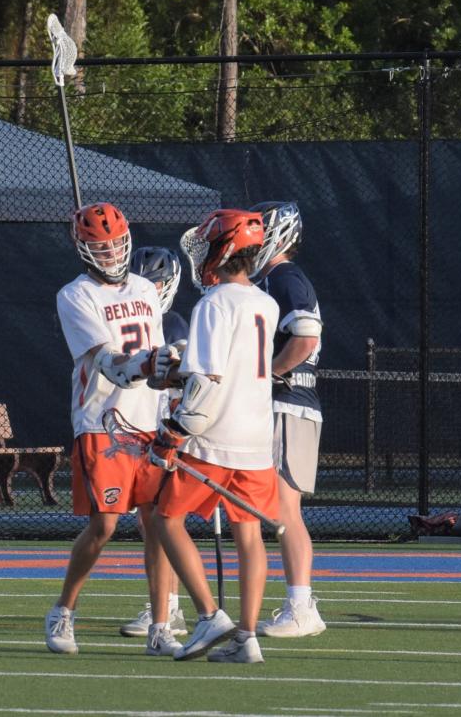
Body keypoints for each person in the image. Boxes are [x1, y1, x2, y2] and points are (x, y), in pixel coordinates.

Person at [45, 202, 179, 656]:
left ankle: (161, 625)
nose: (110, 254)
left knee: (159, 524)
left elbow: (156, 356)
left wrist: (172, 387)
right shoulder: (75, 295)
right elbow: (107, 362)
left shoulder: (144, 287)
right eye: (100, 247)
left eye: (116, 244)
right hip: (103, 420)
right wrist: (148, 363)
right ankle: (63, 610)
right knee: (103, 525)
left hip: (149, 420)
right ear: (83, 249)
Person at [151, 209, 280, 664]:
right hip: (257, 437)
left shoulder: (213, 304)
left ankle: (208, 615)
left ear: (222, 250)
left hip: (215, 436)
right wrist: (177, 376)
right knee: (250, 534)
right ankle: (247, 638)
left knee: (166, 519)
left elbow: (207, 382)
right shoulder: (266, 303)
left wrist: (175, 430)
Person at [250, 201, 326, 638]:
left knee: (284, 508)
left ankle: (301, 606)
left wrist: (270, 374)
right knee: (274, 508)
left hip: (288, 400)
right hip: (283, 401)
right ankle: (297, 603)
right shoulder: (272, 280)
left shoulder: (285, 277)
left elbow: (306, 334)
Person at [119, 246, 189, 641]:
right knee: (150, 523)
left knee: (160, 521)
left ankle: (170, 608)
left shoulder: (173, 322)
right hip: (135, 430)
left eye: (155, 281)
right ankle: (169, 606)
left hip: (164, 431)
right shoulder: (127, 319)